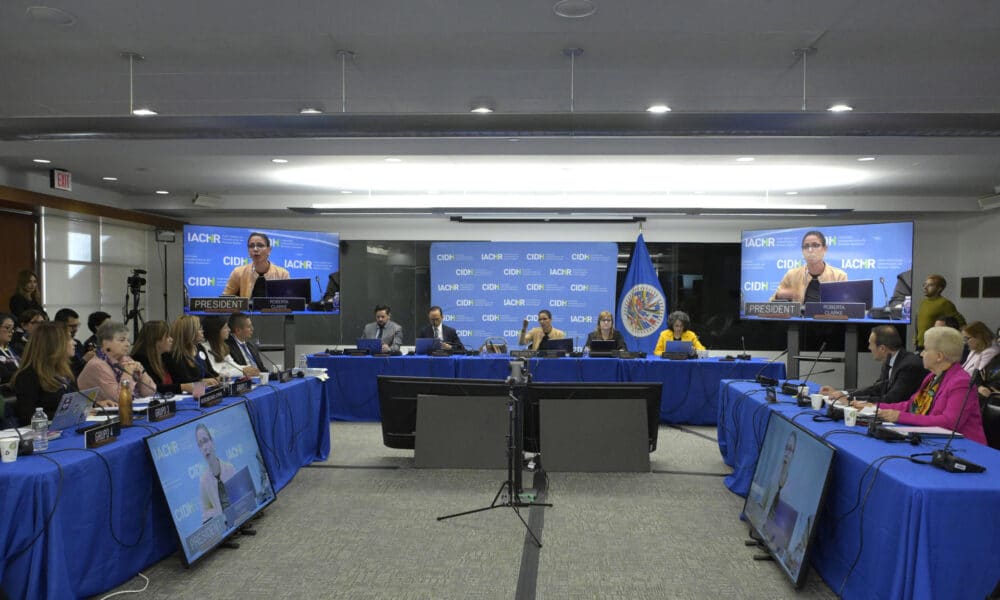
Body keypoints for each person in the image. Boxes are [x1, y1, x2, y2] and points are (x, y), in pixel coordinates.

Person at [861, 326, 987, 444]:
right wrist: (875, 407)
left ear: (939, 356)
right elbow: (911, 405)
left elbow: (949, 422)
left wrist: (900, 417)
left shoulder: (961, 382)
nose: (921, 354)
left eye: (925, 350)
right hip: (934, 440)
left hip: (964, 447)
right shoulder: (932, 377)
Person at [821, 325, 926, 406]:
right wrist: (843, 393)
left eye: (870, 344)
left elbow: (892, 400)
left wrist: (850, 399)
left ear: (882, 348)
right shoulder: (889, 361)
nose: (869, 347)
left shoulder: (910, 366)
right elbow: (877, 389)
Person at [10, 321, 79, 424]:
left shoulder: (65, 371)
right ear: (54, 344)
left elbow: (74, 403)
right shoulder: (28, 376)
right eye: (69, 339)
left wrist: (92, 406)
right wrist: (66, 414)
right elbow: (27, 417)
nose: (75, 343)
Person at [77, 321, 156, 403]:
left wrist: (142, 372)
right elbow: (119, 399)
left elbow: (150, 392)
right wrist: (128, 373)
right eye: (122, 340)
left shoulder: (126, 359)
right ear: (106, 343)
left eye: (128, 340)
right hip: (102, 414)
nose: (128, 344)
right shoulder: (97, 365)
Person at [771, 230, 848, 303]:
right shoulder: (792, 275)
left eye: (815, 245)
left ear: (825, 249)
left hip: (827, 316)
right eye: (806, 246)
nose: (810, 250)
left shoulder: (839, 276)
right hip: (800, 317)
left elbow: (845, 308)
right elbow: (771, 304)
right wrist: (779, 296)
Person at [221, 232, 290, 298]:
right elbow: (225, 299)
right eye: (251, 246)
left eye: (260, 245)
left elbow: (287, 303)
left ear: (269, 250)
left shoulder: (282, 274)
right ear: (248, 251)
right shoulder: (238, 272)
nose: (255, 249)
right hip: (246, 310)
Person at [132, 320, 192, 394]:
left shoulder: (166, 356)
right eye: (167, 337)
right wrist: (182, 387)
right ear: (155, 339)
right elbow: (154, 388)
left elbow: (180, 379)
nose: (171, 339)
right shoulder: (140, 359)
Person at [196, 423, 236, 524]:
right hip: (223, 526)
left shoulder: (230, 468)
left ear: (212, 442)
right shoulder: (203, 481)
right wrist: (218, 512)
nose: (204, 447)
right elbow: (205, 515)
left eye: (205, 441)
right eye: (200, 444)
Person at [163, 315, 220, 387]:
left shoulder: (199, 347)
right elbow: (183, 380)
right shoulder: (174, 354)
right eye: (199, 329)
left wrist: (220, 377)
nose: (202, 331)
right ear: (189, 332)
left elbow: (210, 372)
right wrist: (201, 381)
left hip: (202, 390)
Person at [200, 315, 259, 379]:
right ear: (216, 331)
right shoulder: (204, 348)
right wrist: (243, 371)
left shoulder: (223, 346)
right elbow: (217, 372)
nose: (229, 330)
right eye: (225, 328)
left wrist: (247, 368)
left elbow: (233, 365)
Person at [914, 274, 964, 349]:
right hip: (920, 345)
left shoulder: (945, 303)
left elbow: (960, 323)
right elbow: (919, 322)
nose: (925, 287)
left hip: (935, 345)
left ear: (939, 288)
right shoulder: (922, 302)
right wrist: (916, 338)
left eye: (930, 285)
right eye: (924, 284)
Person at [54, 308, 96, 376]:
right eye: (72, 326)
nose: (76, 329)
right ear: (59, 326)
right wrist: (83, 360)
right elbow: (65, 372)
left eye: (77, 325)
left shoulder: (78, 344)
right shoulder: (53, 346)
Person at [0, 313, 21, 384]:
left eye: (13, 328)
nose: (12, 331)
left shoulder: (15, 348)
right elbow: (5, 375)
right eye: (7, 327)